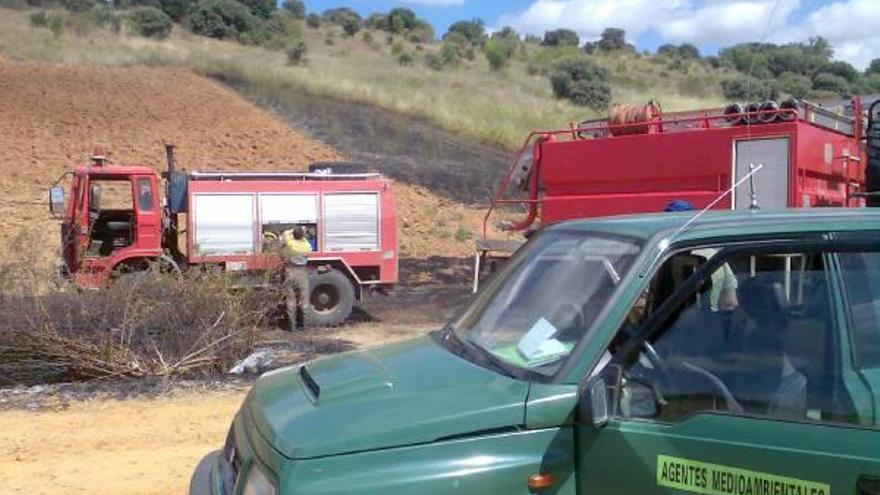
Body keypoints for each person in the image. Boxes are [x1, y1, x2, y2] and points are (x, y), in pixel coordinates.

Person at [663, 200, 739, 311]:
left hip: (671, 325)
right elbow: (730, 302)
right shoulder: (715, 256)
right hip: (709, 322)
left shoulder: (660, 259)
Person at [283, 227, 312, 328]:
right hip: (302, 272)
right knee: (304, 299)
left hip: (290, 272)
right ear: (303, 236)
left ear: (293, 235)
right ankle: (304, 325)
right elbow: (306, 242)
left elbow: (285, 234)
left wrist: (291, 230)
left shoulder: (290, 244)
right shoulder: (306, 246)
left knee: (291, 300)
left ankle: (292, 326)